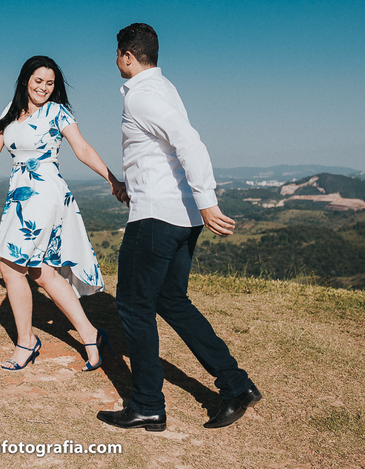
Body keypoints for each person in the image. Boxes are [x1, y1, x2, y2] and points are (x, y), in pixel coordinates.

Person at [97, 23, 262, 432]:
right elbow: (163, 152)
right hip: (178, 214)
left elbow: (189, 141)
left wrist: (208, 199)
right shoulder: (164, 88)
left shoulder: (143, 96)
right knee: (171, 301)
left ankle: (148, 404)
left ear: (128, 56)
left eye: (117, 54)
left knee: (134, 307)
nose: (115, 60)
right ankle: (236, 385)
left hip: (158, 216)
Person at [0, 55, 127, 372]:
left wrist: (112, 180)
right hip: (19, 192)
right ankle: (91, 335)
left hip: (45, 191)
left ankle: (26, 342)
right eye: (38, 81)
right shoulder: (9, 110)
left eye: (50, 83)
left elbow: (83, 148)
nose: (44, 88)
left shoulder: (58, 112)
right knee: (41, 271)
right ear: (25, 80)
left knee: (10, 266)